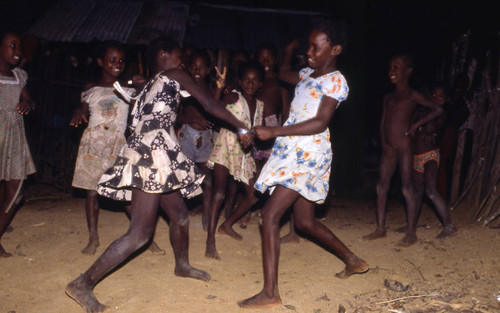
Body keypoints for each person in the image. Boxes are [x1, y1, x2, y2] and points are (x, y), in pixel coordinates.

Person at [65, 36, 253, 313]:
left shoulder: (150, 84)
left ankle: (182, 265)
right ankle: (83, 283)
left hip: (152, 150)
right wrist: (241, 127)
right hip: (152, 154)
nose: (184, 63)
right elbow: (210, 106)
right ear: (164, 55)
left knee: (178, 214)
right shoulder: (172, 75)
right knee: (140, 233)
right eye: (180, 56)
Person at [238, 20, 369, 309]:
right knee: (305, 221)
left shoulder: (335, 81)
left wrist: (274, 131)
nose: (309, 51)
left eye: (316, 47)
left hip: (308, 153)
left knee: (270, 215)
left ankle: (270, 293)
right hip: (293, 150)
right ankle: (353, 260)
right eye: (308, 45)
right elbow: (282, 74)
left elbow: (321, 122)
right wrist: (288, 52)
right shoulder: (307, 74)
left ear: (335, 49)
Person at [70, 41, 164, 255]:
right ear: (101, 61)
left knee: (126, 193)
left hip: (118, 144)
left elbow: (148, 98)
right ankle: (93, 237)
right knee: (92, 193)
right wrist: (78, 112)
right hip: (93, 143)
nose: (117, 64)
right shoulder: (90, 87)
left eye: (121, 60)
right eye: (112, 59)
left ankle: (143, 236)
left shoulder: (129, 89)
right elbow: (83, 106)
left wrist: (143, 84)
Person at [362, 54, 443, 246]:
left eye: (396, 67)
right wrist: (383, 142)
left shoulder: (412, 95)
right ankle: (380, 229)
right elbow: (383, 120)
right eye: (390, 67)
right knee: (381, 186)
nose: (392, 71)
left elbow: (438, 110)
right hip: (389, 148)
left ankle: (411, 232)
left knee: (407, 187)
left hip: (405, 147)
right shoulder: (388, 97)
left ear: (408, 71)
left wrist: (416, 126)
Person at [205, 61, 265, 259]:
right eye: (246, 79)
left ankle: (227, 224)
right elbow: (213, 108)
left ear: (260, 84)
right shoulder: (234, 97)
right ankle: (210, 242)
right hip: (226, 146)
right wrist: (219, 89)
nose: (250, 83)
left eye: (254, 80)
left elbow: (258, 130)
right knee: (219, 193)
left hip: (244, 152)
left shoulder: (261, 105)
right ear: (239, 81)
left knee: (253, 194)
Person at [0, 31, 36, 258]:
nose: (17, 51)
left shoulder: (18, 76)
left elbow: (29, 100)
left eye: (19, 47)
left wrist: (27, 104)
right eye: (12, 46)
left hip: (13, 135)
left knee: (17, 190)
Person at [176, 50, 221, 230]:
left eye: (202, 67)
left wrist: (218, 90)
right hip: (186, 136)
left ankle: (207, 216)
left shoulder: (209, 90)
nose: (197, 70)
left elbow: (214, 111)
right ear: (188, 67)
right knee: (181, 178)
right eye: (194, 66)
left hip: (205, 139)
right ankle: (179, 216)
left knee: (207, 180)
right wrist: (193, 120)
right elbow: (176, 118)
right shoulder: (183, 90)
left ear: (208, 69)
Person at [408, 83, 457, 238]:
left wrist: (418, 124)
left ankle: (449, 225)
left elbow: (429, 129)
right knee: (417, 193)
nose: (437, 99)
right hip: (417, 157)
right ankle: (411, 225)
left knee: (431, 191)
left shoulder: (441, 114)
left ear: (446, 100)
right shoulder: (423, 110)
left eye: (440, 97)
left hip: (430, 156)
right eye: (434, 95)